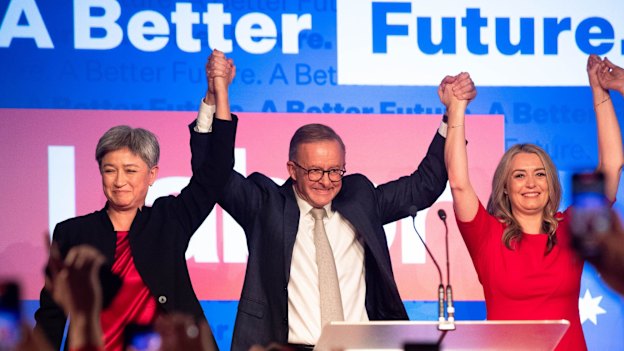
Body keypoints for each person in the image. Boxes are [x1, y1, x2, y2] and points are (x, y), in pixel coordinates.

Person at [194, 55, 477, 350]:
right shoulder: (265, 205)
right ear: (292, 170)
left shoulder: (360, 198)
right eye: (315, 170)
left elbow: (424, 186)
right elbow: (210, 173)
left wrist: (452, 114)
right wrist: (217, 96)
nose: (326, 181)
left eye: (335, 171)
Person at [34, 50, 237, 351]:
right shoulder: (72, 233)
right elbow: (51, 316)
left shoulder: (171, 219)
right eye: (109, 170)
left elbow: (216, 170)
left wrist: (216, 95)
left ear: (152, 174)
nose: (119, 181)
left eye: (130, 171)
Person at [443, 56, 623, 351]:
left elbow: (611, 165)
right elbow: (459, 183)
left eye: (540, 174)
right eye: (519, 175)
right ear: (505, 187)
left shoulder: (573, 229)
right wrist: (457, 108)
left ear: (550, 183)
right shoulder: (486, 235)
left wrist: (599, 91)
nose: (530, 183)